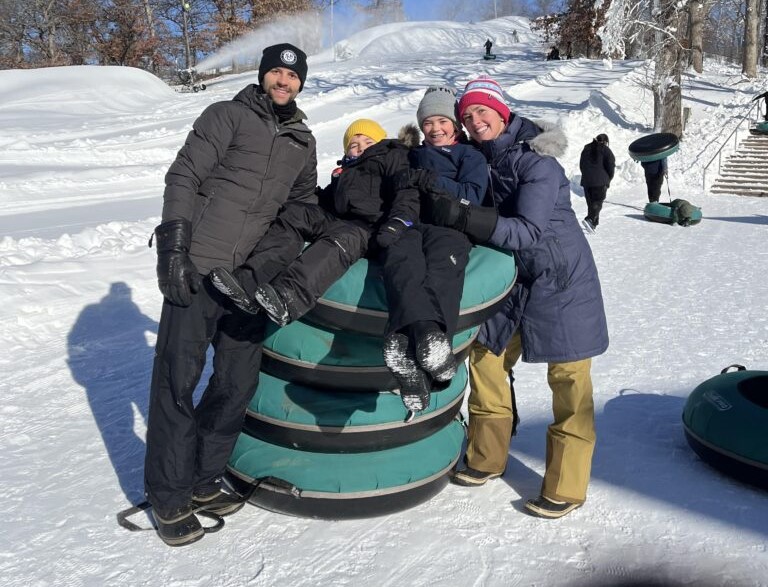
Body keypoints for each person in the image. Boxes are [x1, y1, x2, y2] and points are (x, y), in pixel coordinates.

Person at [144, 43, 317, 547]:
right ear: (263, 76)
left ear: (301, 83)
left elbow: (302, 205)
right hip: (197, 268)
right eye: (276, 72)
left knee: (236, 384)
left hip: (246, 284)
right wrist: (173, 247)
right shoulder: (226, 115)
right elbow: (184, 175)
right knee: (177, 382)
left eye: (292, 75)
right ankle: (168, 496)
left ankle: (202, 480)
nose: (283, 81)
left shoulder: (302, 142)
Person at [427, 76, 609, 519]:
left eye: (482, 111)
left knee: (568, 379)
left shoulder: (538, 164)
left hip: (560, 279)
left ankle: (566, 486)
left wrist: (468, 218)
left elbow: (527, 232)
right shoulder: (476, 161)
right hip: (511, 281)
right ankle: (487, 457)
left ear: (502, 112)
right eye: (467, 116)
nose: (474, 121)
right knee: (485, 359)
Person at [208, 118, 419, 335]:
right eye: (354, 145)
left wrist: (399, 221)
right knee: (296, 214)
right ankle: (249, 281)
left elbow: (407, 191)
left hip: (371, 228)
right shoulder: (346, 171)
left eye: (368, 141)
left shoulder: (392, 156)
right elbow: (327, 200)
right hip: (338, 220)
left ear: (380, 142)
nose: (361, 147)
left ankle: (289, 298)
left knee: (342, 238)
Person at [381, 86, 488, 412]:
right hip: (412, 222)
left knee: (443, 267)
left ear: (455, 124)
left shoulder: (469, 156)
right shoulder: (410, 155)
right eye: (428, 122)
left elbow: (473, 192)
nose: (435, 128)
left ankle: (412, 345)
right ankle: (422, 341)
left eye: (442, 120)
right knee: (402, 261)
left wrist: (436, 183)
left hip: (450, 225)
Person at [579, 133, 615, 230]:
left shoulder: (586, 149)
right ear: (605, 142)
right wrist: (608, 178)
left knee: (591, 204)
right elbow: (611, 165)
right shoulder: (605, 150)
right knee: (597, 203)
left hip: (587, 181)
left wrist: (587, 175)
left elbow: (582, 165)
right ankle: (589, 219)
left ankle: (593, 224)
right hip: (600, 181)